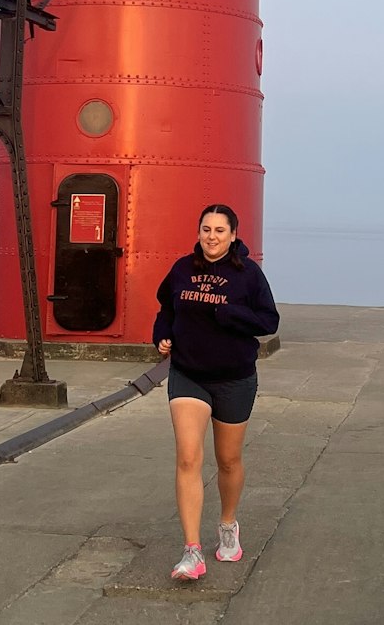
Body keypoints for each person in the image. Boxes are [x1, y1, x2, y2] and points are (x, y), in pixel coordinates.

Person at [153, 203, 279, 582]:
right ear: (199, 232)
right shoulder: (181, 269)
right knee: (189, 458)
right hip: (188, 374)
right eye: (206, 229)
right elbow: (166, 308)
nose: (211, 237)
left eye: (220, 231)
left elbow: (269, 321)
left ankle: (228, 524)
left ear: (234, 235)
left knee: (227, 460)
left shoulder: (249, 275)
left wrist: (230, 315)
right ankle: (191, 551)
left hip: (234, 377)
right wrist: (162, 334)